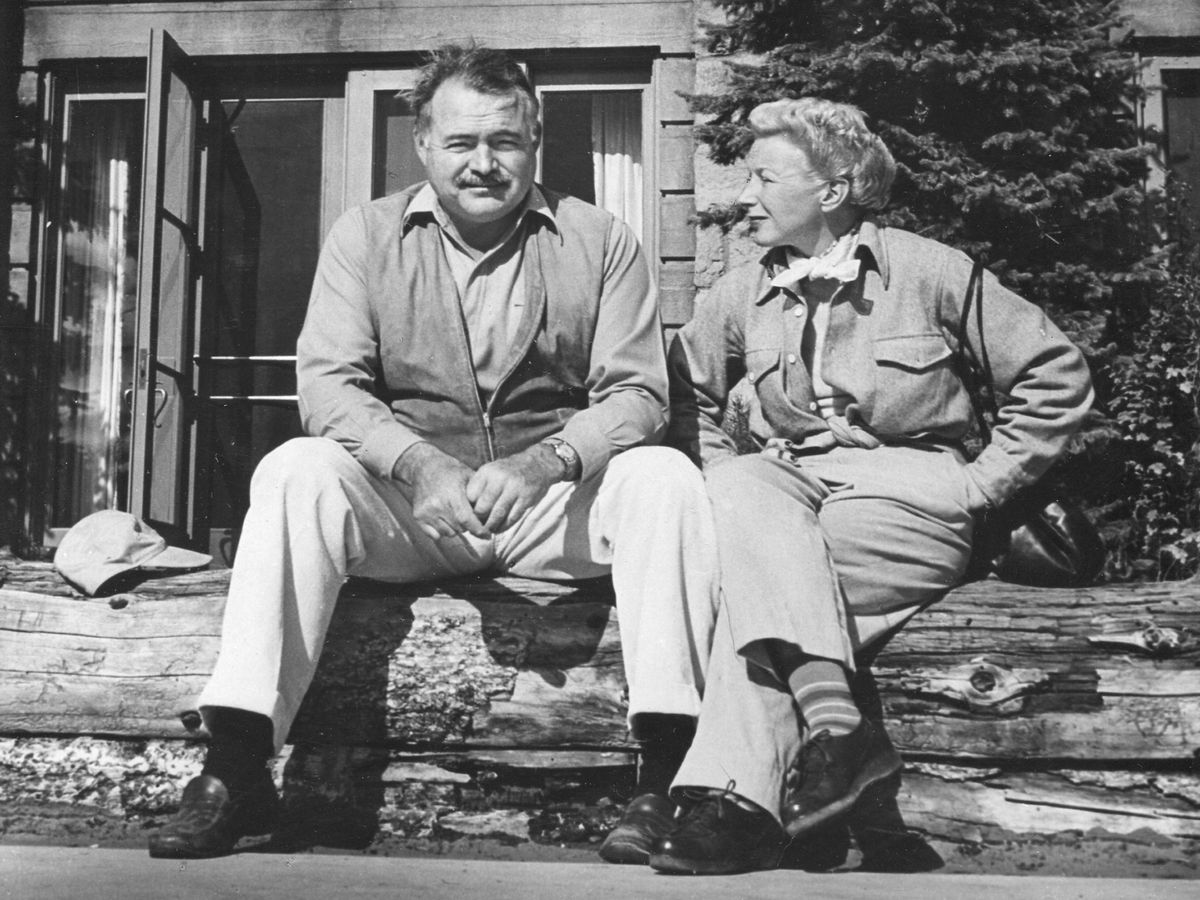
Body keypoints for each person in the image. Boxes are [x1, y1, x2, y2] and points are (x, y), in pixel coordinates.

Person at [148, 44, 719, 861]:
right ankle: (235, 769)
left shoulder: (602, 240)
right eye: (461, 142)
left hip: (550, 511)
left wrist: (546, 463)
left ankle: (670, 779)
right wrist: (420, 465)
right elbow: (330, 387)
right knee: (296, 468)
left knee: (663, 476)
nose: (484, 163)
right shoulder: (366, 235)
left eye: (505, 141)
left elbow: (638, 395)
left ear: (536, 139)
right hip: (416, 513)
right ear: (422, 144)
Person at [649, 97, 1093, 875]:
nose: (745, 197)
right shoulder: (741, 293)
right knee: (743, 487)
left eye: (764, 179)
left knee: (754, 580)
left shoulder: (929, 270)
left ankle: (736, 802)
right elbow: (684, 395)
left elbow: (1055, 373)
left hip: (912, 498)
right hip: (793, 492)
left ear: (831, 190)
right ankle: (839, 732)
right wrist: (718, 468)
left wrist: (984, 486)